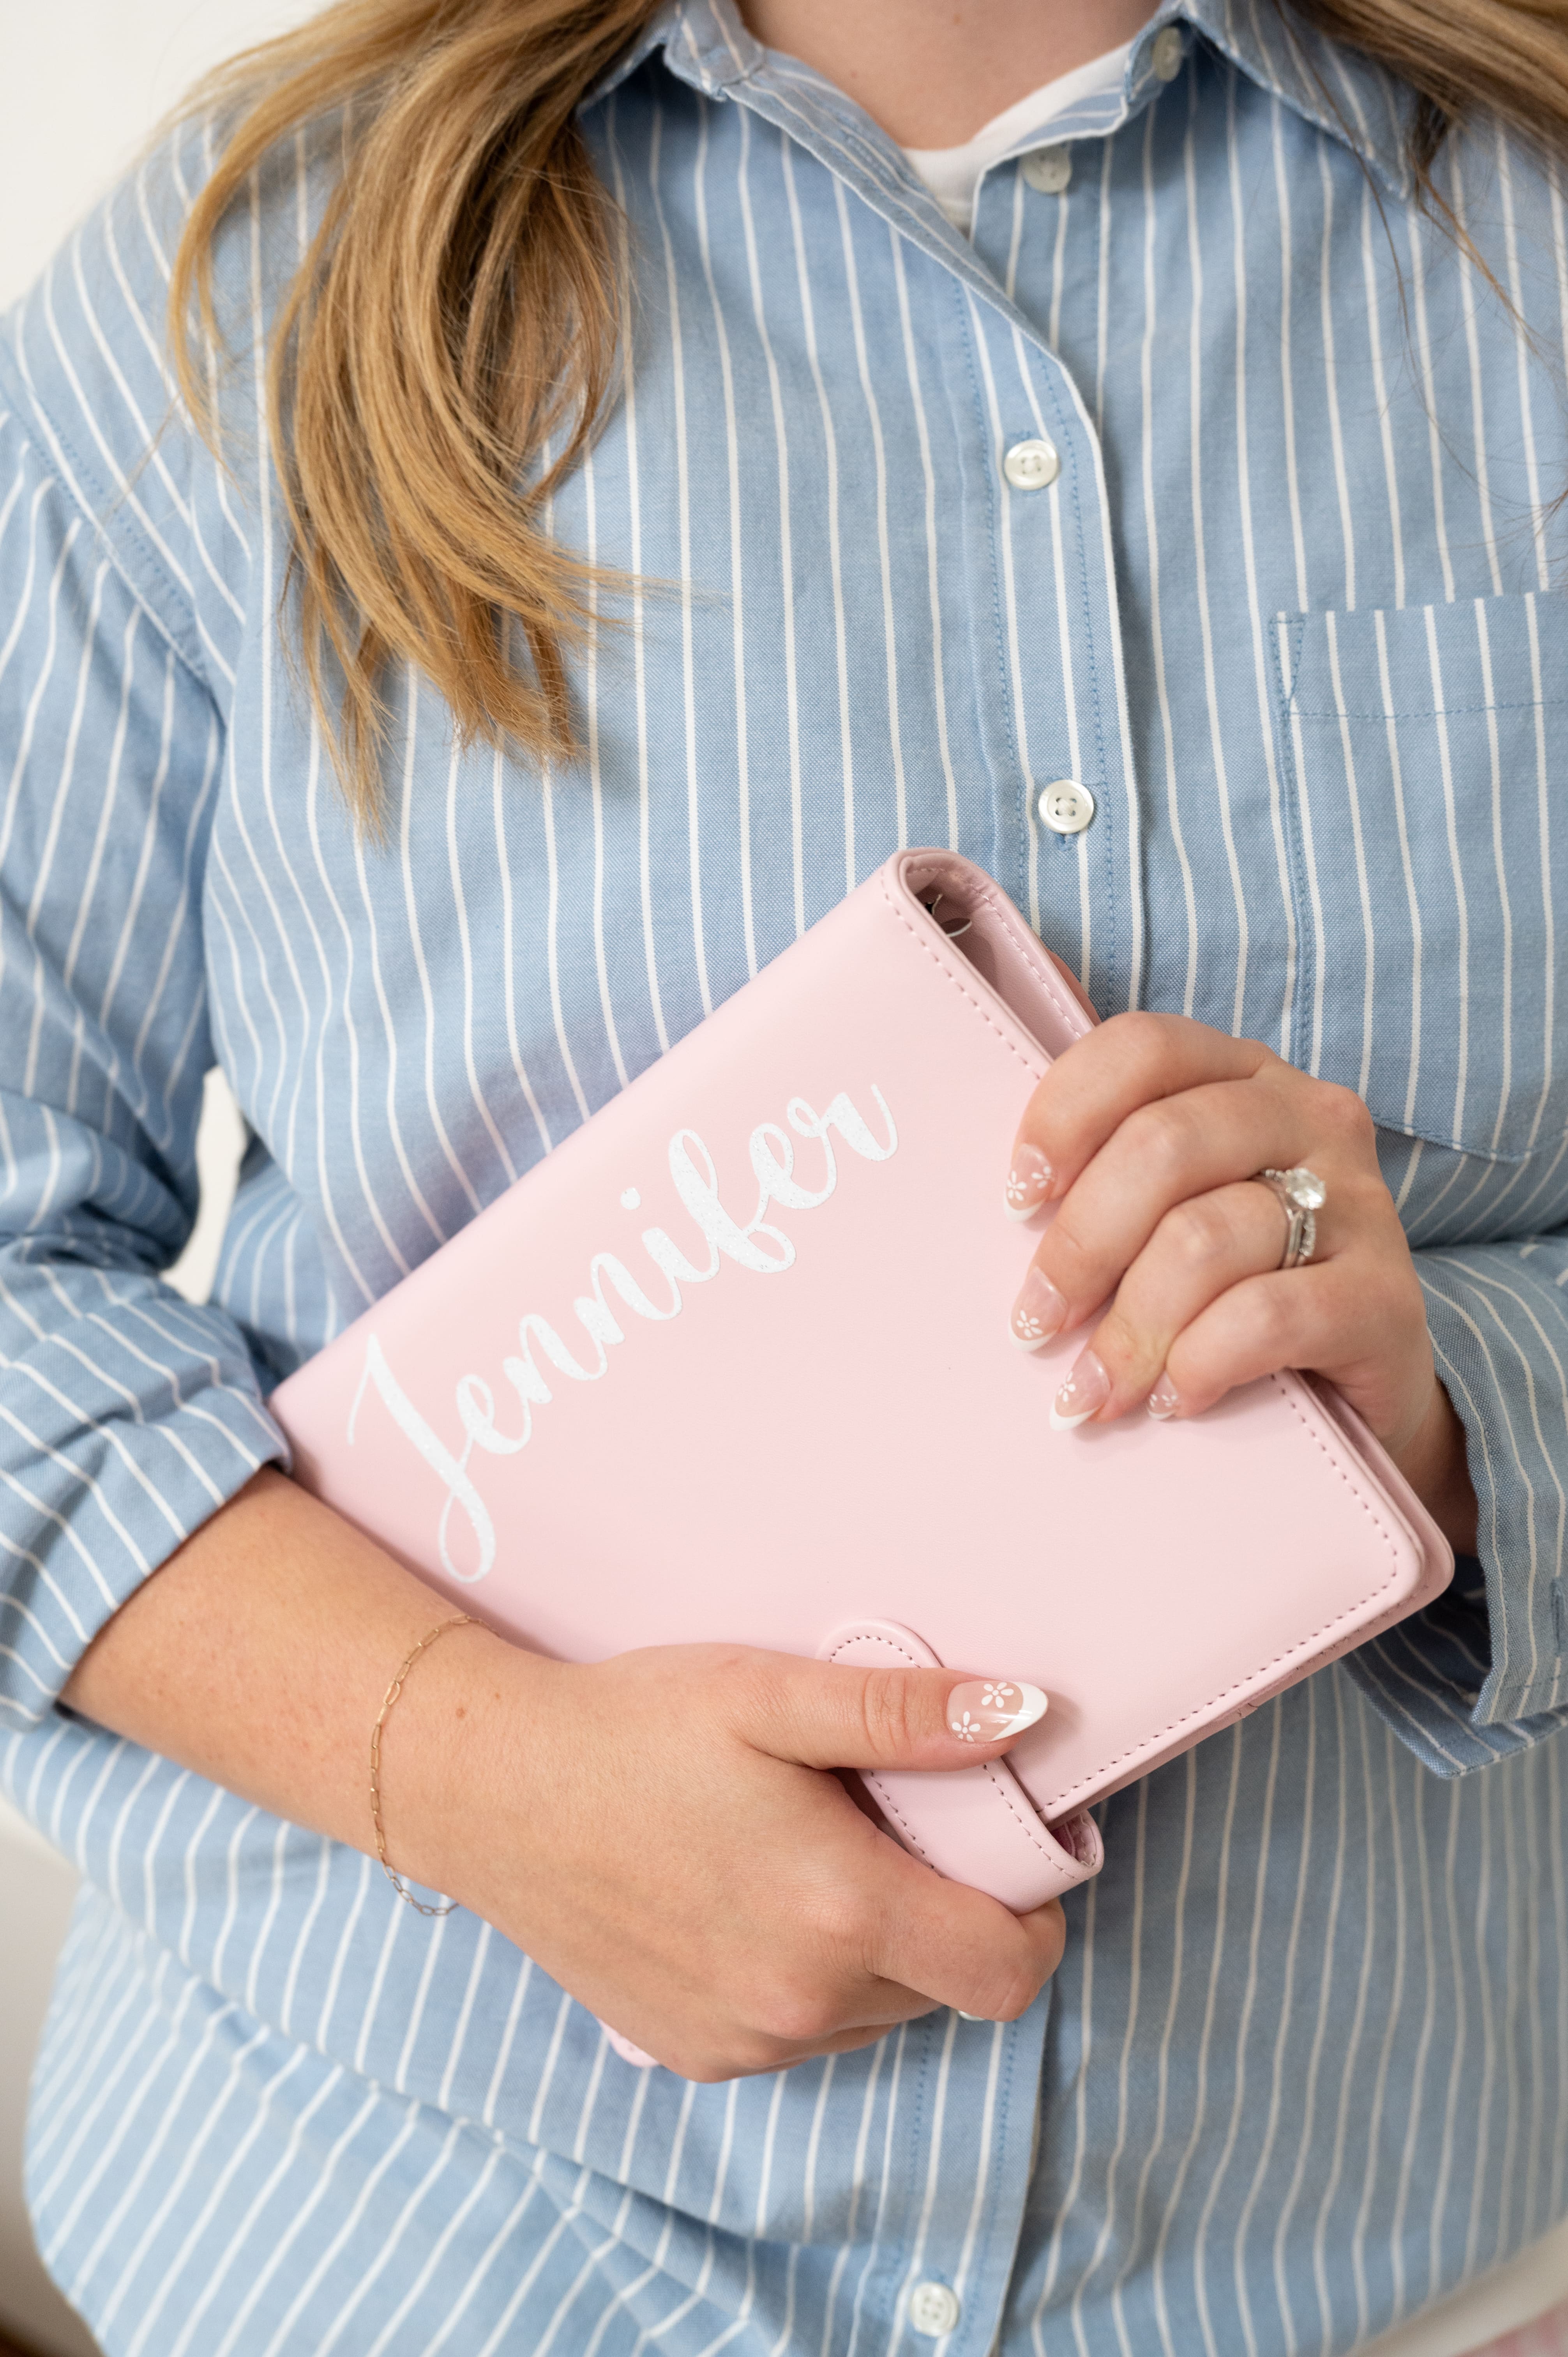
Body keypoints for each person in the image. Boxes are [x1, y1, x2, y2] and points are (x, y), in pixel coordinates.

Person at [2, 0, 1566, 2348]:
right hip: (411, 2243)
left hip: (1387, 2250)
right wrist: (461, 1768)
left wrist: (1456, 1419)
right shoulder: (234, 284)